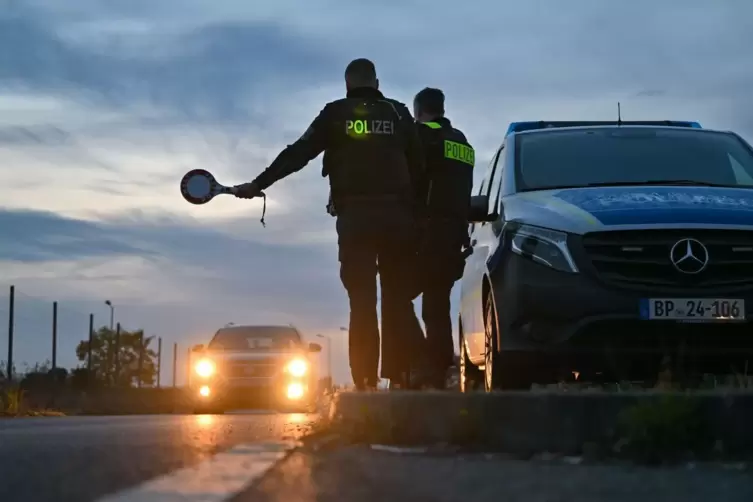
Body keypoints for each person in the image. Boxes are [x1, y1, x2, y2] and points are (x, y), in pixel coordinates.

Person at [233, 58, 425, 391]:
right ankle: (400, 376)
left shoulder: (335, 114)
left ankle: (364, 381)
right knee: (396, 298)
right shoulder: (398, 113)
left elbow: (298, 153)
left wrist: (259, 183)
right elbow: (419, 167)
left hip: (356, 219)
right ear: (376, 83)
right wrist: (417, 218)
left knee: (362, 300)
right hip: (398, 219)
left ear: (347, 85)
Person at [411, 87, 475, 389]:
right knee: (437, 305)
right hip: (455, 234)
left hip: (428, 231)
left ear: (419, 110)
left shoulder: (424, 136)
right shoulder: (462, 142)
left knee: (402, 298)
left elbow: (414, 182)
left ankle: (427, 369)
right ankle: (438, 370)